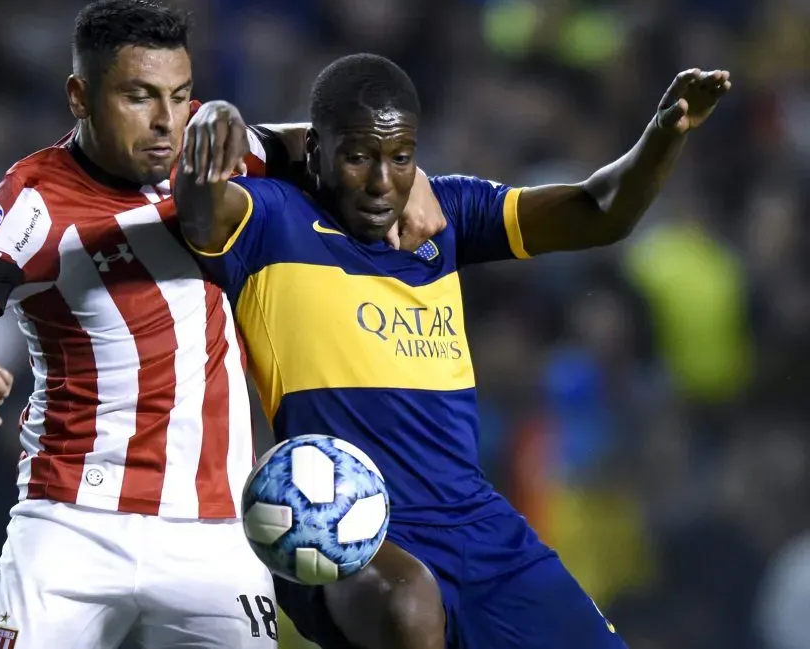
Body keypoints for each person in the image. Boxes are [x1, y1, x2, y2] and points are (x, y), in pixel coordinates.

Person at [0, 0, 442, 649]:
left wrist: (416, 181)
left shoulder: (211, 158)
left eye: (180, 95)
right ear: (81, 95)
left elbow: (319, 145)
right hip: (71, 525)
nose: (166, 120)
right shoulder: (34, 200)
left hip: (213, 535)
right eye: (139, 97)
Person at [175, 53, 730, 649]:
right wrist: (216, 126)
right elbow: (200, 205)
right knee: (409, 602)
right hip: (347, 535)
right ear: (316, 153)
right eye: (358, 157)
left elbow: (600, 212)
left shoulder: (447, 215)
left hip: (479, 528)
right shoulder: (271, 223)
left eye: (401, 158)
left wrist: (663, 134)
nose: (383, 182)